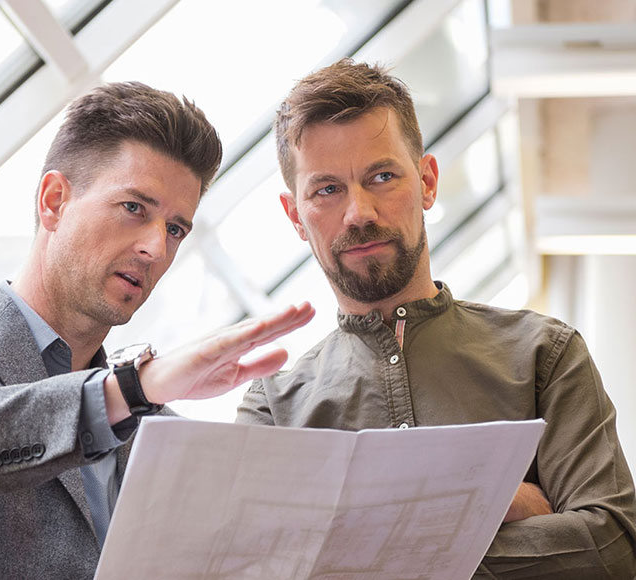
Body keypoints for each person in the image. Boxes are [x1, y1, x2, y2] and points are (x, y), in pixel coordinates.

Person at [0, 81, 314, 579]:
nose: (156, 248)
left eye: (175, 229)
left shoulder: (159, 432)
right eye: (134, 208)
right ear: (54, 201)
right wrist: (131, 390)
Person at [236, 58, 636, 578]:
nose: (359, 213)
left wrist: (360, 544)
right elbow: (249, 568)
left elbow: (612, 548)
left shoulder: (546, 354)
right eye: (327, 189)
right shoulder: (273, 410)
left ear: (427, 181)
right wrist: (495, 500)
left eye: (382, 177)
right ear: (296, 216)